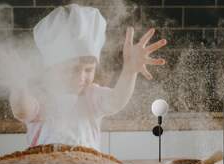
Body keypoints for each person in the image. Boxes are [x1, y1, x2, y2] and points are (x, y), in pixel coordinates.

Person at [10, 4, 167, 151]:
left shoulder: (92, 96)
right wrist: (19, 85)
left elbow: (116, 100)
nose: (81, 77)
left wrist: (129, 71)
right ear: (51, 70)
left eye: (88, 69)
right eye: (72, 70)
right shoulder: (42, 98)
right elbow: (22, 110)